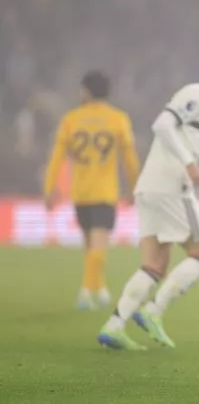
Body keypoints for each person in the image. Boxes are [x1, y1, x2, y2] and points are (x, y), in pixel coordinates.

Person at [97, 65, 199, 350]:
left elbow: (184, 151)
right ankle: (153, 311)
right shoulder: (196, 94)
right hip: (171, 189)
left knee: (154, 266)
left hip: (151, 187)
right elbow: (162, 126)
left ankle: (115, 326)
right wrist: (190, 164)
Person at [43, 71, 140, 310]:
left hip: (81, 192)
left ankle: (99, 287)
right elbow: (129, 158)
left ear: (85, 91)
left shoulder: (71, 119)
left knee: (91, 245)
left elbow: (56, 157)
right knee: (97, 245)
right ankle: (87, 291)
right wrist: (133, 187)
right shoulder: (118, 119)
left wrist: (49, 188)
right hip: (105, 192)